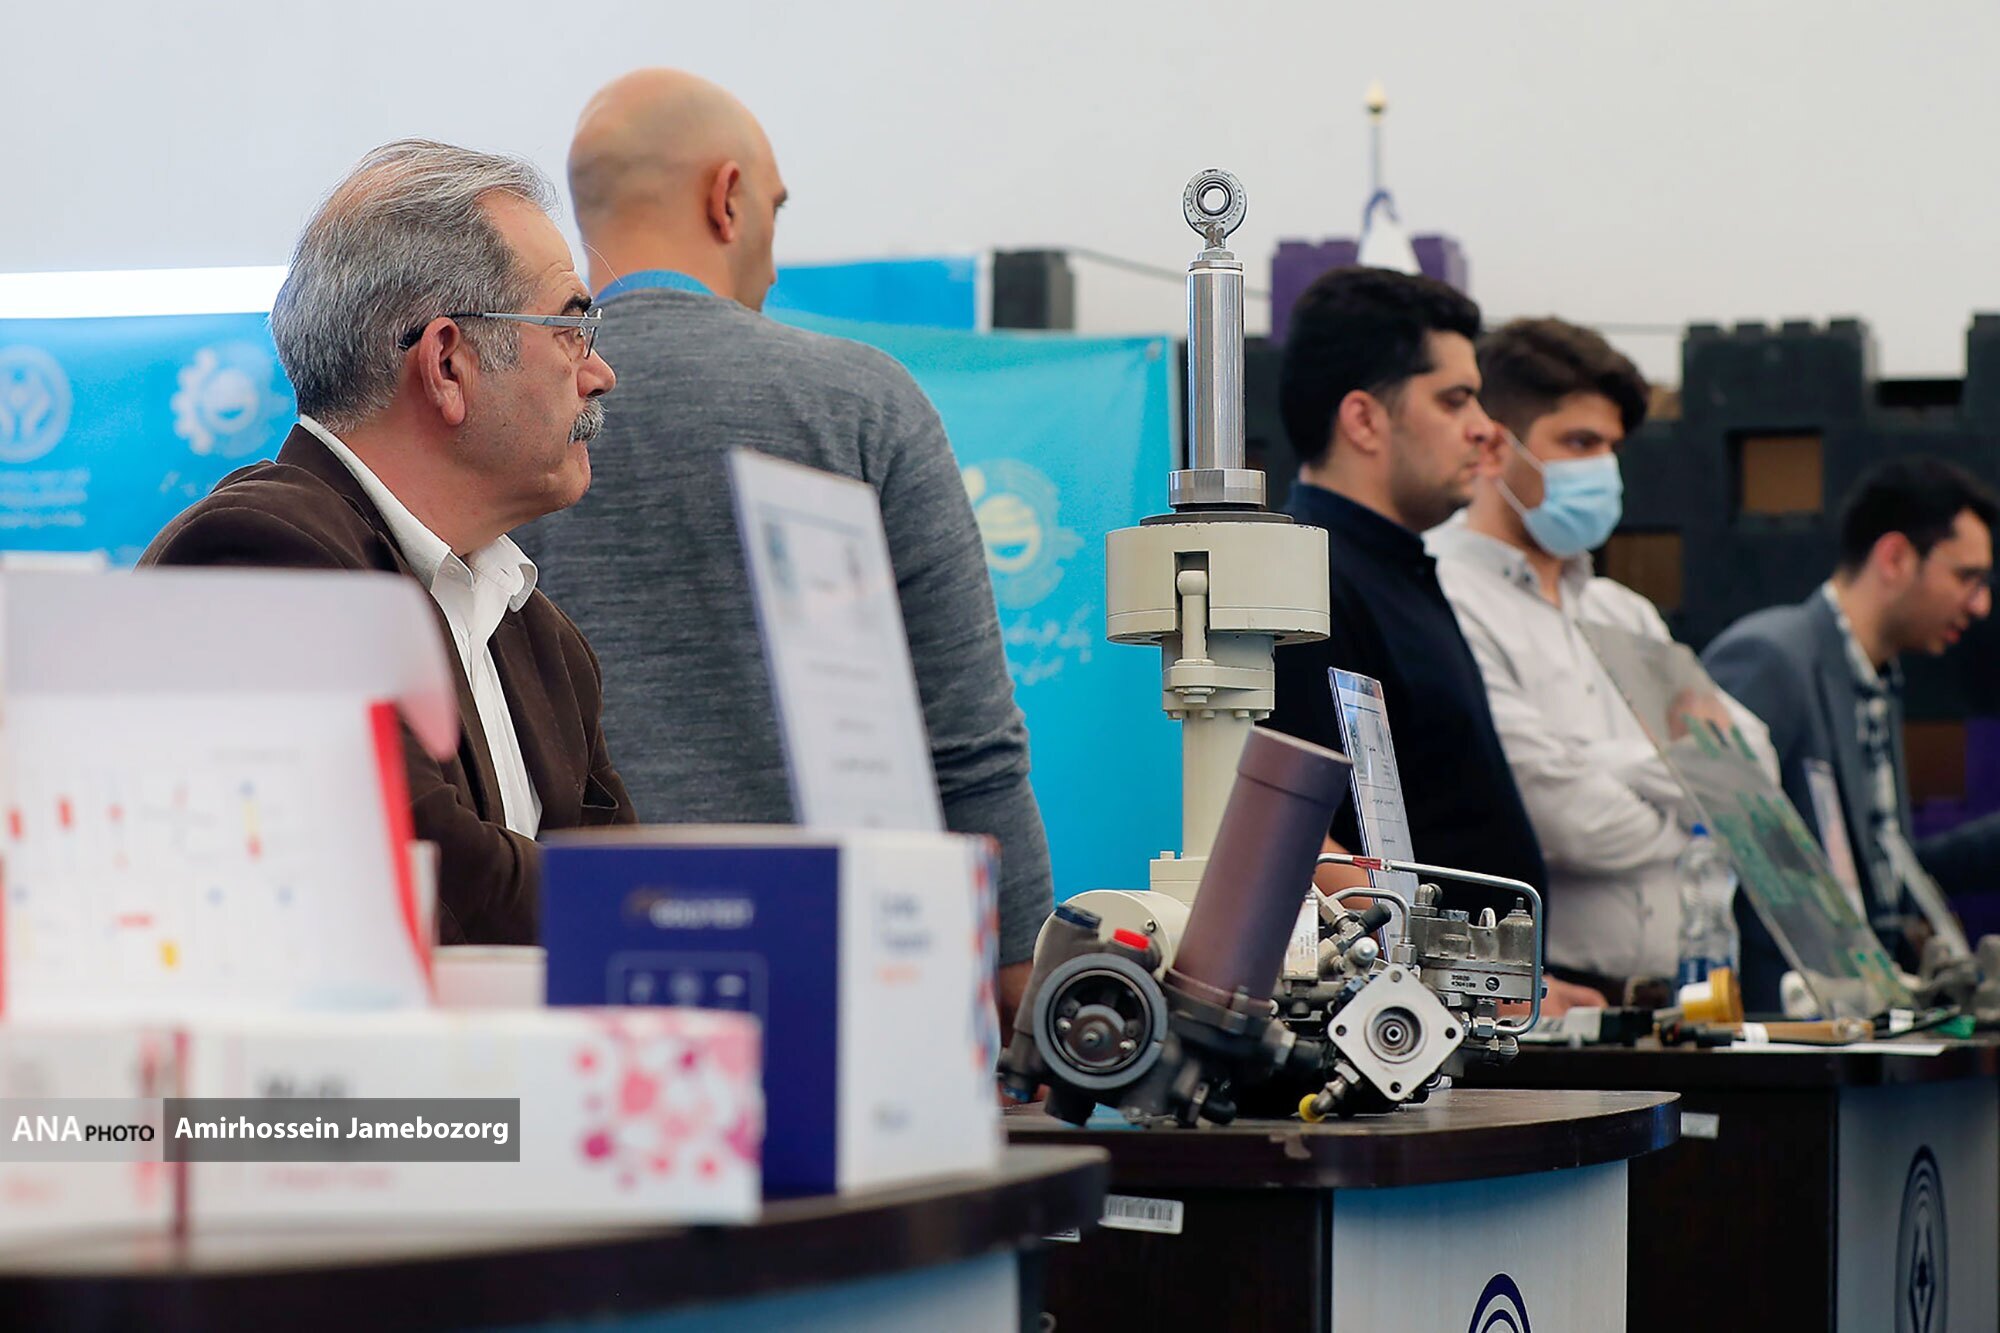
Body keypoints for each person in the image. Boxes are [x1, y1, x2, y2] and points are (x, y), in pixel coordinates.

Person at [527, 69, 1053, 1014]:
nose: (772, 261)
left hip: (573, 980)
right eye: (775, 207)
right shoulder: (861, 404)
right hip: (836, 983)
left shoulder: (507, 416)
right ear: (726, 197)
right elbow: (968, 743)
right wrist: (1020, 989)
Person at [142, 139, 635, 944]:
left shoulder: (539, 636)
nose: (599, 372)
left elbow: (625, 896)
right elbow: (419, 866)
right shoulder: (260, 557)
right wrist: (633, 902)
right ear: (447, 364)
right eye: (571, 329)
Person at [1263, 268, 1603, 1010]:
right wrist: (1468, 984)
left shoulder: (1398, 569)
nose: (1485, 427)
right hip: (1397, 1034)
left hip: (1460, 1018)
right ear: (1364, 420)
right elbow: (1292, 837)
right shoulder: (1305, 578)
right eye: (1455, 400)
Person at [1428, 318, 1773, 1000]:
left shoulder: (1625, 612)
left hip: (1680, 997)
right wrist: (1693, 814)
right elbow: (1560, 816)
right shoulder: (1444, 595)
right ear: (1494, 444)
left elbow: (1754, 774)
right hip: (1543, 999)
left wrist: (1598, 763)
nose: (1604, 469)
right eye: (1580, 442)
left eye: (1612, 447)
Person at [1705, 457, 2000, 1008]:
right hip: (1779, 1028)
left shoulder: (1877, 682)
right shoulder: (1771, 659)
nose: (1981, 604)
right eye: (1967, 578)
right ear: (1895, 557)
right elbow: (1703, 849)